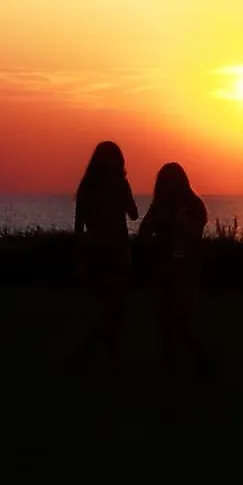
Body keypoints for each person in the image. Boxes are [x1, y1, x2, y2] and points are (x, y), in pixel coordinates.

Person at [138, 162, 214, 378]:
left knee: (180, 320)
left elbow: (195, 233)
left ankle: (201, 359)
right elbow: (143, 232)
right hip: (162, 269)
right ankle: (170, 368)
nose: (168, 186)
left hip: (186, 271)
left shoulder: (195, 205)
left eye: (172, 180)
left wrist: (178, 221)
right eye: (165, 181)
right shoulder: (158, 206)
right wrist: (156, 219)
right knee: (164, 321)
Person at [68, 141, 139, 368]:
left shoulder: (121, 184)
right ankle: (99, 353)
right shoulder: (89, 187)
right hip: (100, 253)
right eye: (105, 157)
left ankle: (103, 352)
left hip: (120, 251)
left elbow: (134, 214)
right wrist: (80, 257)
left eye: (113, 157)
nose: (109, 162)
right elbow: (79, 224)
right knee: (111, 306)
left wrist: (125, 192)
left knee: (117, 308)